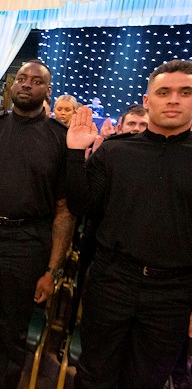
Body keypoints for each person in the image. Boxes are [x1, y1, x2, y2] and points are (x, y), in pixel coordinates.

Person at [66, 59, 192, 387]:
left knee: (146, 381)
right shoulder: (115, 153)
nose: (174, 99)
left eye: (185, 92)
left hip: (173, 292)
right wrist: (75, 153)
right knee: (93, 375)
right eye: (164, 92)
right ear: (148, 101)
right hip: (112, 281)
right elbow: (81, 205)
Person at [0, 60, 75, 388]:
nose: (26, 84)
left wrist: (53, 271)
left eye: (36, 81)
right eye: (21, 78)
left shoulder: (59, 138)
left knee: (13, 331)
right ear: (11, 84)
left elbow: (64, 212)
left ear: (47, 90)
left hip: (28, 241)